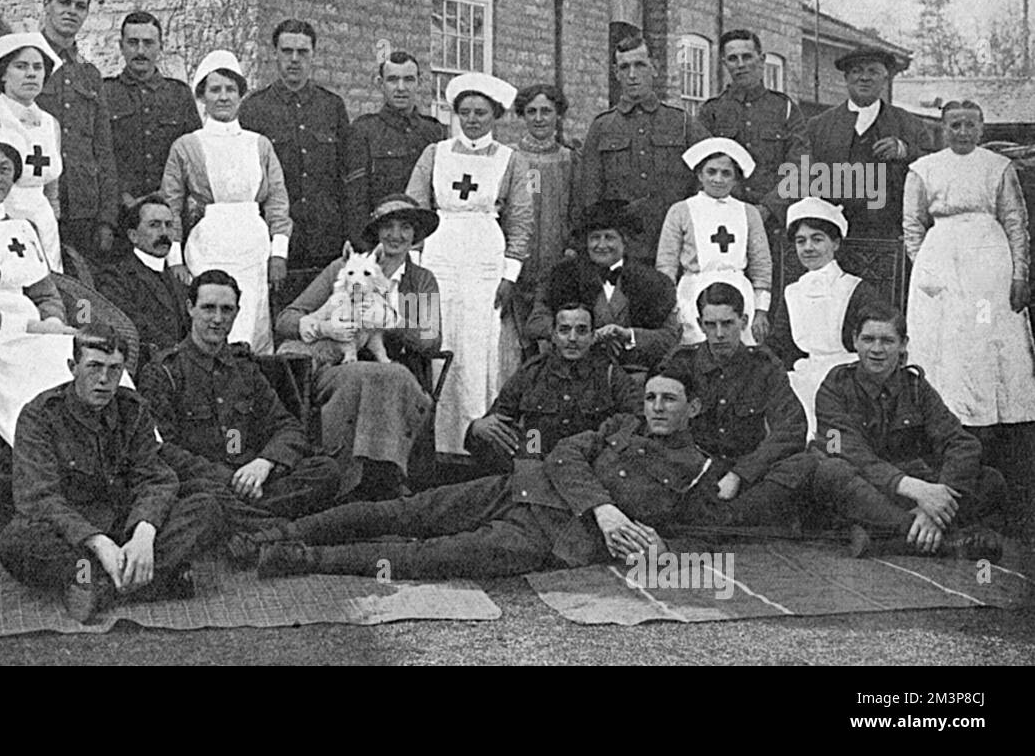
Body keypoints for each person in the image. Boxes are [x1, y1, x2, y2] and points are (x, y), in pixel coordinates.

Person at [232, 367, 781, 580]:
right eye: (652, 397)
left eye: (670, 400)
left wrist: (663, 548)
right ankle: (275, 532)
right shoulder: (620, 424)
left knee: (431, 557)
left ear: (694, 408)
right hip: (518, 486)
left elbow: (707, 537)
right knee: (402, 511)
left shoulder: (702, 471)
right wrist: (607, 510)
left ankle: (300, 559)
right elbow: (562, 456)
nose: (656, 408)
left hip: (550, 536)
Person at [0, 325, 223, 623]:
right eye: (94, 367)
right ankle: (150, 579)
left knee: (206, 508)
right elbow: (39, 497)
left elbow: (155, 477)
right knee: (16, 543)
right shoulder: (39, 416)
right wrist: (98, 542)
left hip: (125, 522)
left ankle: (99, 588)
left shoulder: (133, 409)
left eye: (114, 369)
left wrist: (144, 532)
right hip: (73, 533)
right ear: (73, 367)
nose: (104, 380)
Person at [0, 126, 131, 445]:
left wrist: (53, 323)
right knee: (54, 367)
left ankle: (117, 447)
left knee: (89, 356)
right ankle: (56, 451)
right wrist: (30, 327)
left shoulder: (22, 228)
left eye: (5, 169)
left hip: (40, 332)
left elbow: (45, 291)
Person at [904, 100, 1035, 500]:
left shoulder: (998, 167)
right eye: (955, 125)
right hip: (941, 266)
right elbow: (912, 225)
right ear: (943, 128)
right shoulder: (923, 168)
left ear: (981, 128)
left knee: (984, 335)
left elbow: (1015, 222)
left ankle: (989, 427)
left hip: (988, 269)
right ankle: (946, 424)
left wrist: (1019, 274)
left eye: (970, 125)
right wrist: (927, 269)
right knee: (944, 345)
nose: (962, 132)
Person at [274, 195, 441, 498]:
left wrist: (393, 322)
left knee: (390, 376)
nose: (396, 235)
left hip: (395, 367)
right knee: (364, 378)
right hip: (339, 362)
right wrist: (323, 327)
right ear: (376, 232)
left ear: (416, 234)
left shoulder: (419, 281)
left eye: (405, 227)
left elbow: (430, 340)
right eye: (387, 226)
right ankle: (344, 479)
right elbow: (286, 319)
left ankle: (385, 478)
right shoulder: (347, 267)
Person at [140, 270, 341, 519]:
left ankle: (250, 520)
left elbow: (286, 426)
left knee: (325, 470)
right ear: (190, 308)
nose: (217, 319)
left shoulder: (244, 368)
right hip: (207, 484)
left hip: (254, 479)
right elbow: (162, 448)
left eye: (226, 310)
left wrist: (264, 463)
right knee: (204, 502)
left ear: (236, 312)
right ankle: (267, 522)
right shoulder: (165, 372)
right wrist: (229, 479)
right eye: (208, 308)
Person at [405, 72, 534, 458]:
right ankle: (432, 442)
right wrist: (414, 264)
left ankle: (475, 440)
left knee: (478, 345)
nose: (473, 119)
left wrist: (510, 273)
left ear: (495, 115)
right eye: (465, 112)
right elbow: (414, 208)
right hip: (439, 252)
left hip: (484, 257)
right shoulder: (435, 153)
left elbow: (521, 220)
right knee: (433, 335)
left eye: (481, 112)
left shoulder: (511, 159)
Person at [810, 303, 1005, 559]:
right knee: (830, 472)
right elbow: (846, 450)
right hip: (870, 489)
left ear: (903, 344)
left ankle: (890, 538)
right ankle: (942, 542)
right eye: (868, 339)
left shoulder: (916, 387)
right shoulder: (835, 387)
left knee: (991, 480)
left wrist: (935, 500)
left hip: (912, 493)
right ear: (855, 341)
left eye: (887, 341)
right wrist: (915, 489)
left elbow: (960, 443)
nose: (877, 349)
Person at [160, 50, 291, 354]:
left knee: (252, 322)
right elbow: (171, 205)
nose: (223, 97)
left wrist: (279, 253)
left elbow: (277, 202)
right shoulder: (187, 145)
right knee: (212, 318)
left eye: (230, 89)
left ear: (241, 95)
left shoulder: (259, 144)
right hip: (209, 245)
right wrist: (175, 258)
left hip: (254, 247)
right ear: (202, 95)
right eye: (215, 89)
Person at [661, 283, 814, 524]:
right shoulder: (682, 362)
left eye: (727, 323)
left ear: (743, 322)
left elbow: (791, 428)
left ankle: (722, 519)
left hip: (748, 473)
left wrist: (740, 474)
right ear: (700, 325)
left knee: (805, 464)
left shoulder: (764, 366)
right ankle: (732, 521)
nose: (719, 333)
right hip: (695, 471)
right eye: (710, 325)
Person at [465, 299, 640, 479]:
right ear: (554, 335)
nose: (572, 338)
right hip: (537, 466)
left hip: (589, 471)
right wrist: (477, 428)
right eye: (564, 330)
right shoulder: (531, 373)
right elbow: (497, 420)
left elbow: (637, 420)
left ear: (592, 336)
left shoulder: (610, 374)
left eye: (581, 331)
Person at [574, 34, 709, 265]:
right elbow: (590, 195)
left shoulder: (682, 122)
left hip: (675, 245)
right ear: (616, 73)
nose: (632, 74)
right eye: (624, 67)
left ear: (654, 68)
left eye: (640, 65)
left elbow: (709, 175)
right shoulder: (602, 126)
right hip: (622, 249)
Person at [239, 19, 350, 276]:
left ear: (313, 55)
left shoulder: (332, 106)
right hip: (275, 242)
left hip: (326, 239)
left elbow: (345, 176)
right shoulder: (254, 108)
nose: (294, 59)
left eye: (303, 52)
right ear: (274, 54)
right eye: (287, 51)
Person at [768, 197, 882, 437]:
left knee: (837, 441)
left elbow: (876, 341)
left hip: (849, 378)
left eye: (817, 239)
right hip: (805, 377)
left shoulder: (856, 289)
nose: (808, 247)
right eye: (801, 241)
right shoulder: (792, 292)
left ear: (835, 243)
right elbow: (780, 343)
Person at [525, 200, 681, 375]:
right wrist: (585, 334)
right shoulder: (561, 276)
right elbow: (536, 323)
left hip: (634, 374)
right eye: (595, 238)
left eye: (609, 237)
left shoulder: (654, 282)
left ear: (624, 241)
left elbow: (670, 336)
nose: (601, 245)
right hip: (574, 373)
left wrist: (628, 335)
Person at [0, 32, 66, 270]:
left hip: (43, 226)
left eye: (38, 67)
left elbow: (51, 186)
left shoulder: (51, 123)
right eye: (21, 66)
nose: (31, 73)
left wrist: (51, 218)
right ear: (2, 73)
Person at [35, 0, 119, 263]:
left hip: (83, 208)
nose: (71, 11)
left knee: (82, 285)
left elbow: (103, 149)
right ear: (46, 4)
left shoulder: (89, 74)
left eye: (80, 6)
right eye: (64, 2)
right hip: (35, 200)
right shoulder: (24, 63)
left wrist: (107, 218)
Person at [805, 45, 933, 239]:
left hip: (891, 234)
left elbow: (932, 167)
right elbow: (804, 177)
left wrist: (905, 150)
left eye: (873, 71)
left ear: (885, 79)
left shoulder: (909, 124)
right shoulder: (819, 126)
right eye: (857, 71)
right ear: (846, 78)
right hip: (834, 236)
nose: (864, 78)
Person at [656, 137, 772, 345]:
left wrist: (761, 310)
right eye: (711, 172)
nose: (718, 179)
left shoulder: (748, 213)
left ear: (735, 179)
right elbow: (666, 265)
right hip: (693, 292)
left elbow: (761, 264)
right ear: (700, 175)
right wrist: (671, 309)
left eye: (726, 173)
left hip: (739, 291)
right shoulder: (681, 210)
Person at [696, 29, 808, 232]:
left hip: (774, 223)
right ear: (724, 63)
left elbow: (800, 169)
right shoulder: (712, 111)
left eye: (747, 57)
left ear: (761, 59)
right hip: (723, 222)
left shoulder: (784, 109)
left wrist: (767, 208)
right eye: (733, 59)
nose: (740, 64)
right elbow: (700, 168)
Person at [343, 51, 446, 247]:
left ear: (419, 82)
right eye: (392, 80)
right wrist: (366, 249)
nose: (401, 88)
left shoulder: (434, 132)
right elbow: (356, 201)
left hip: (425, 241)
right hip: (382, 241)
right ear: (380, 83)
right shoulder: (364, 131)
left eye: (408, 80)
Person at [103, 11, 201, 210]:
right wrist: (122, 196)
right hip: (118, 211)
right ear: (121, 46)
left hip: (170, 209)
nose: (140, 51)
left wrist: (167, 195)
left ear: (160, 47)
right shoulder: (105, 93)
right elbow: (98, 155)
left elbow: (193, 156)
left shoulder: (179, 95)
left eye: (148, 43)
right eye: (133, 43)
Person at [511, 83, 578, 356]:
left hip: (555, 259)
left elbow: (575, 209)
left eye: (546, 111)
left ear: (558, 115)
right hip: (518, 262)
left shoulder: (569, 159)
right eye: (532, 111)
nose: (539, 118)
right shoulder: (511, 157)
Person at [94, 194, 192, 375]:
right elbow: (131, 328)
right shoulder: (115, 277)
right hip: (145, 372)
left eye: (169, 225)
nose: (164, 233)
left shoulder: (178, 280)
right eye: (154, 225)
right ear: (133, 236)